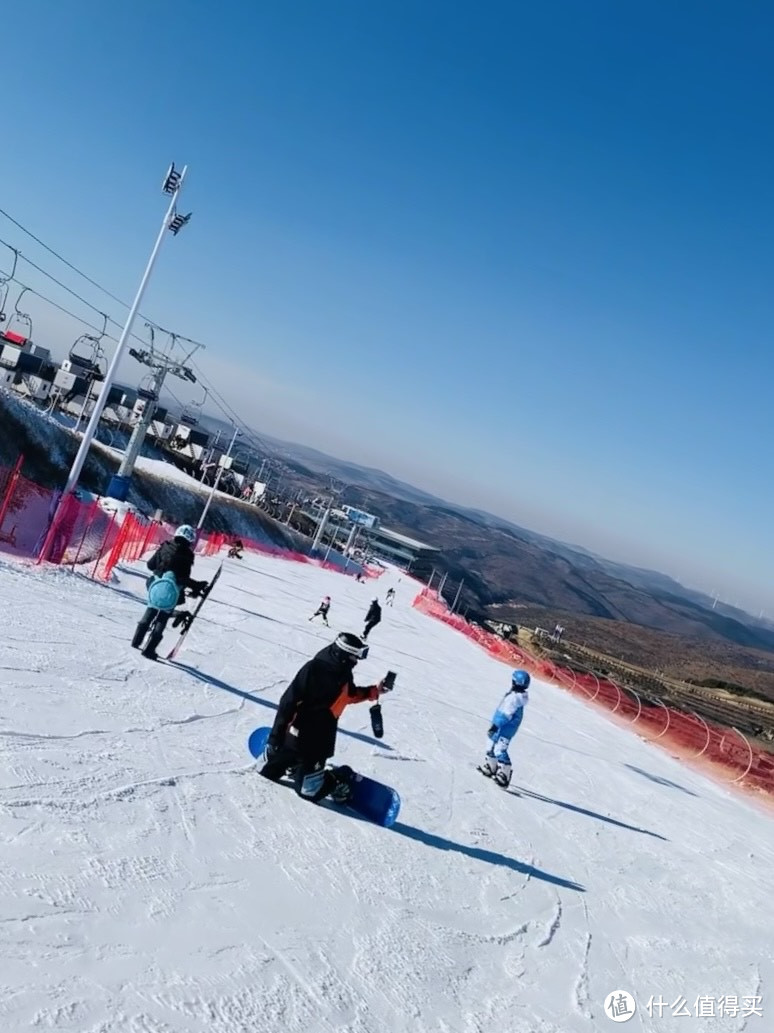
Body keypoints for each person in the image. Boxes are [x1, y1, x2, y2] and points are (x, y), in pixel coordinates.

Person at [260, 632, 392, 802]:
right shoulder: (313, 668)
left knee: (308, 791)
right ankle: (297, 765)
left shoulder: (343, 673)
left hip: (318, 743)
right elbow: (288, 702)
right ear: (343, 655)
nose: (356, 662)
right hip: (294, 735)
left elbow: (350, 695)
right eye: (354, 657)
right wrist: (275, 738)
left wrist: (374, 691)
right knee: (266, 772)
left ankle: (336, 779)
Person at [131, 525, 209, 660]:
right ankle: (149, 649)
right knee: (163, 616)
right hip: (171, 593)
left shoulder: (165, 546)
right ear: (191, 540)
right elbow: (183, 579)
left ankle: (136, 641)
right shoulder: (188, 556)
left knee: (152, 607)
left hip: (155, 586)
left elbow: (150, 565)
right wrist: (197, 586)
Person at [479, 669, 531, 787]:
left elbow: (506, 714)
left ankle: (505, 772)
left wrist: (496, 725)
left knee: (499, 749)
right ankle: (491, 766)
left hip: (505, 728)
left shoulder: (515, 699)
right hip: (501, 725)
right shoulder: (514, 696)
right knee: (491, 743)